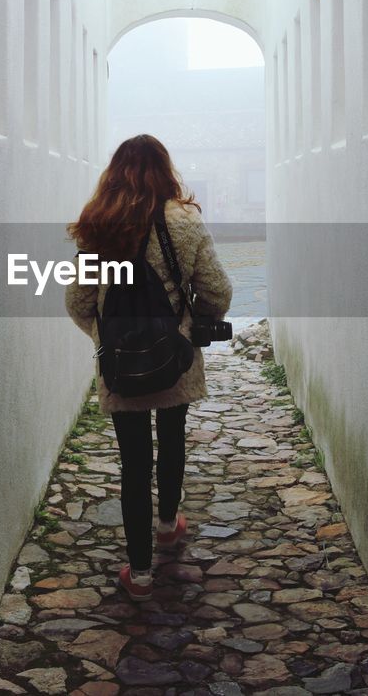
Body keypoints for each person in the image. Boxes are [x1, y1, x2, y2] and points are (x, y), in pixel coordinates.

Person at [65, 134, 233, 601]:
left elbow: (78, 301)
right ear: (165, 170)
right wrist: (192, 327)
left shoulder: (100, 225)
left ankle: (139, 575)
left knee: (133, 464)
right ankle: (167, 526)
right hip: (174, 358)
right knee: (173, 436)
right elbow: (218, 290)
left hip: (121, 366)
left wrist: (109, 340)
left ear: (114, 174)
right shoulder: (186, 222)